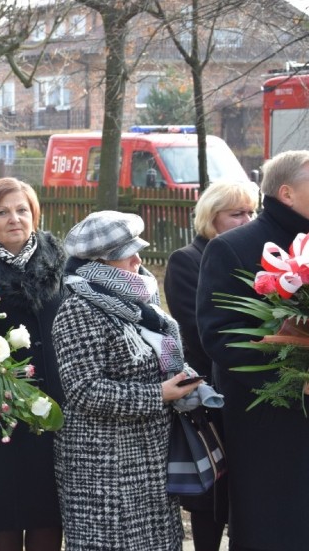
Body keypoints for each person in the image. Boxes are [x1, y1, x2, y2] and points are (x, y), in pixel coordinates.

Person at [196, 150, 309, 551]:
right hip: (271, 423)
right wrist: (295, 373)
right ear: (287, 194)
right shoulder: (233, 248)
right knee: (278, 529)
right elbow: (221, 336)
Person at [51, 210, 201, 550]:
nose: (138, 258)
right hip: (105, 465)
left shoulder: (140, 299)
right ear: (100, 264)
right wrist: (159, 393)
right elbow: (83, 390)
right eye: (125, 255)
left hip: (149, 457)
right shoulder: (80, 308)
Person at [0, 177, 65, 551]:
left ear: (34, 214)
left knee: (48, 514)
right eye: (2, 212)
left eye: (22, 210)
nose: (14, 219)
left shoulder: (59, 260)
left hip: (51, 405)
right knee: (1, 515)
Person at [164, 181, 259, 551]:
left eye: (251, 212)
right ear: (210, 217)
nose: (246, 220)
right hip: (210, 394)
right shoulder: (186, 260)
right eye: (236, 213)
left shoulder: (255, 256)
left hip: (250, 392)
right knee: (211, 501)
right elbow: (198, 327)